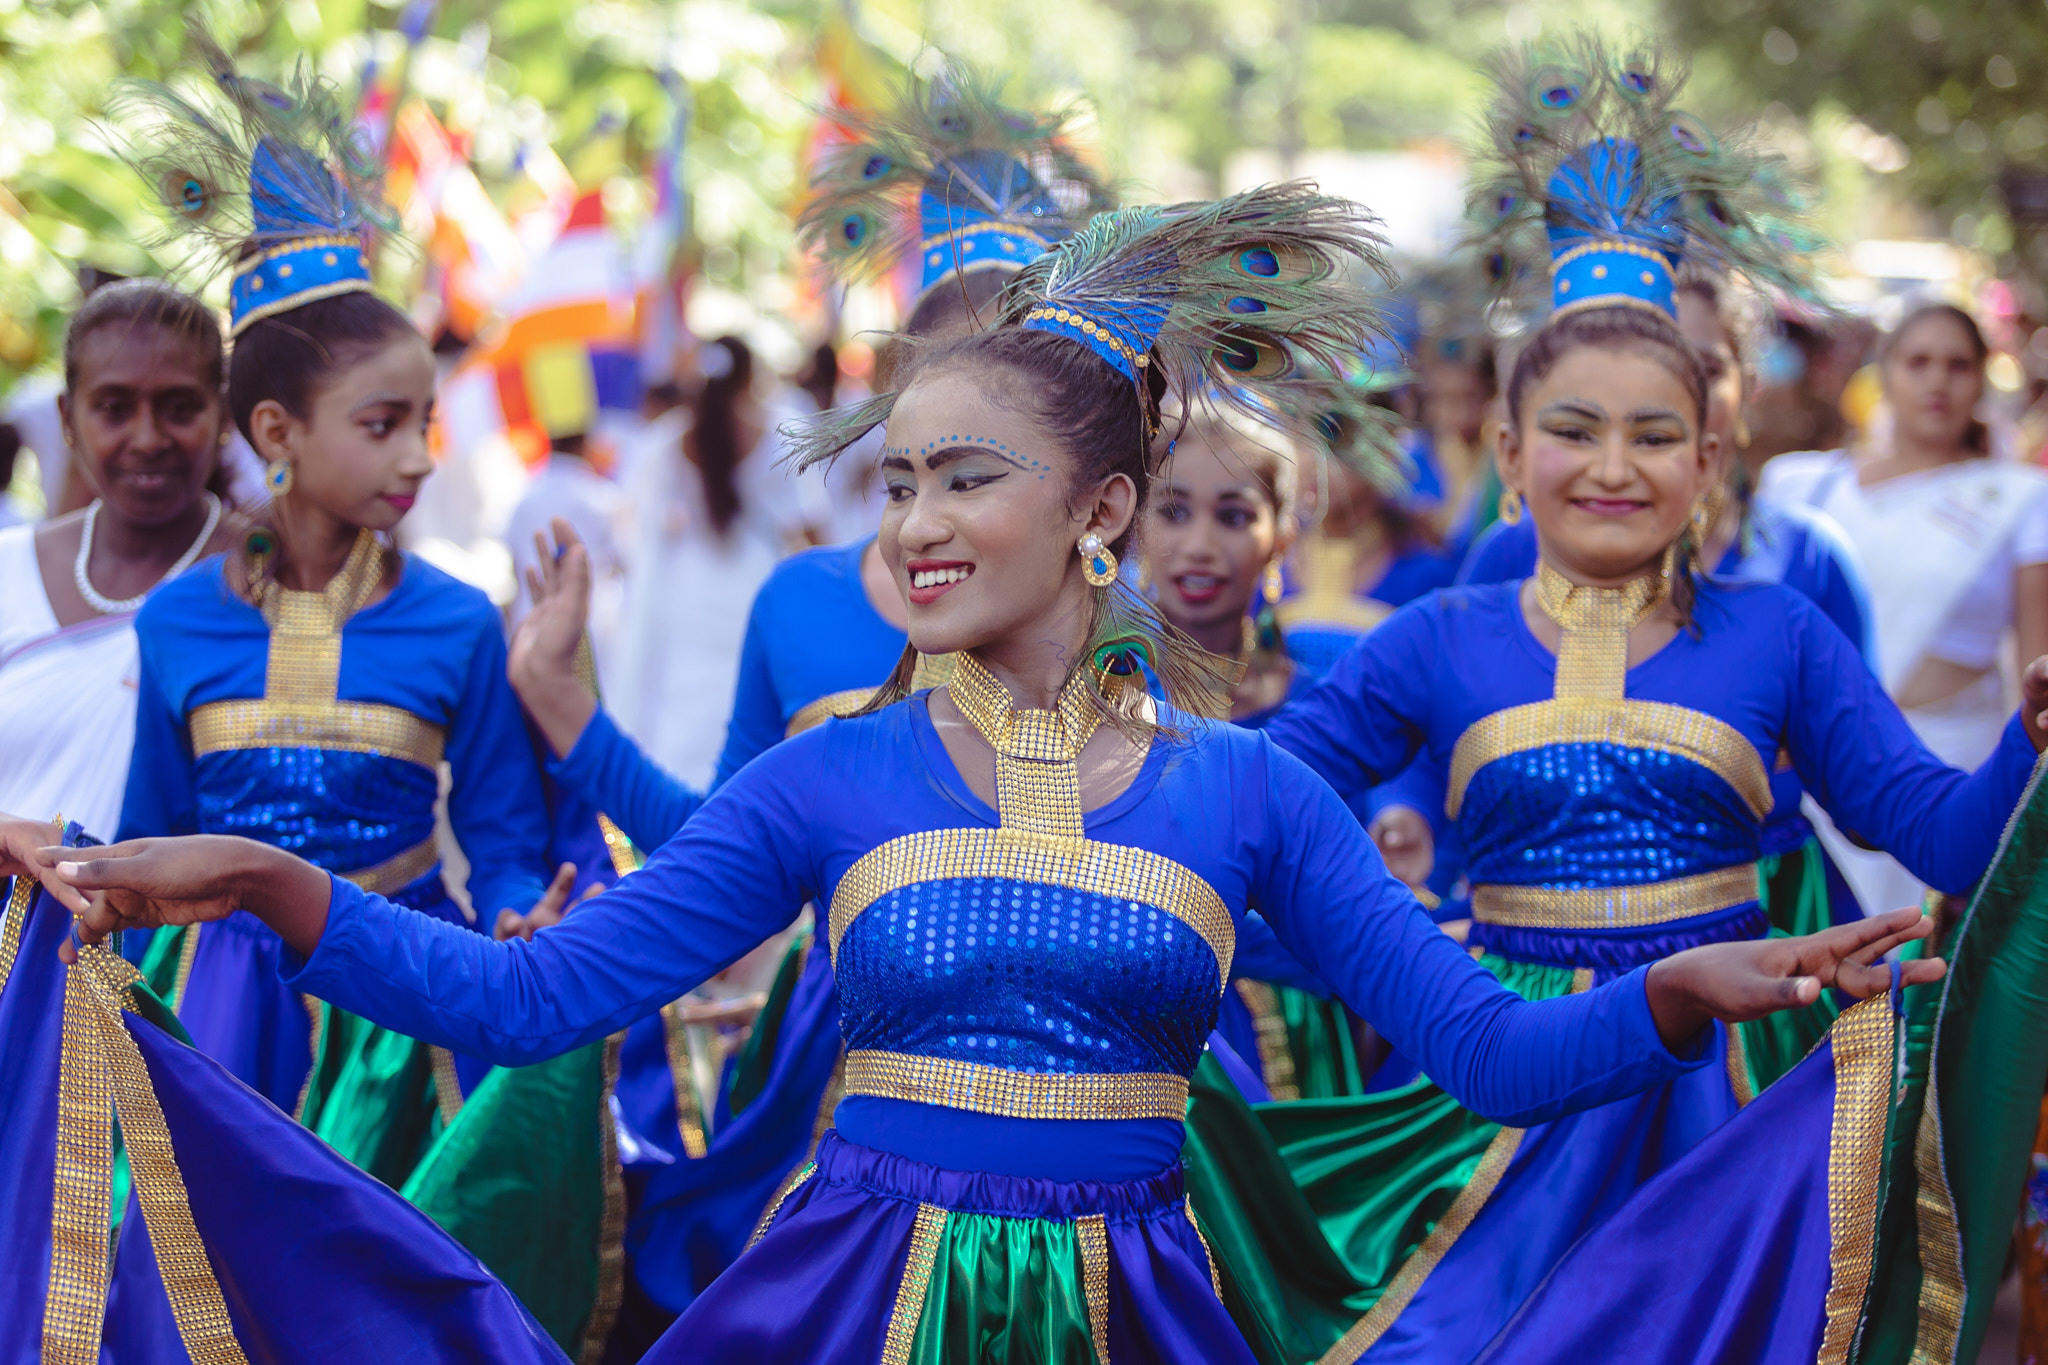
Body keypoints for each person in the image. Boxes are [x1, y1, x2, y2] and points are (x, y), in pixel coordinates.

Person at [18, 180, 1933, 1365]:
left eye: (965, 479)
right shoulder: (828, 782)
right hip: (842, 1315)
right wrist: (268, 886)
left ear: (1100, 513)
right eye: (899, 481)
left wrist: (1680, 992)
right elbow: (530, 999)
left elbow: (1487, 1057)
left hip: (1140, 1318)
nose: (916, 523)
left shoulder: (1244, 794)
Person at [1186, 45, 2048, 1364]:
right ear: (1510, 453)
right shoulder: (1438, 637)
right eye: (1573, 429)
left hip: (1736, 1094)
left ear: (1708, 458)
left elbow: (1936, 835)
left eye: (1653, 436)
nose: (1612, 465)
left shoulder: (1775, 631)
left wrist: (2026, 745)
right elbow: (1247, 795)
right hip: (1498, 1072)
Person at [494, 64, 1122, 1330]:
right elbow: (726, 848)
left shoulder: (1117, 618)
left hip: (1092, 1095)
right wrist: (563, 706)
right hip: (839, 1086)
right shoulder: (800, 602)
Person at [104, 44, 566, 1189]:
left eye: (424, 421)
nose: (420, 456)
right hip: (210, 1018)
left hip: (401, 1007)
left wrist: (518, 912)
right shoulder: (175, 623)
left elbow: (504, 841)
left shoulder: (459, 622)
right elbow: (147, 838)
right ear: (277, 433)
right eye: (381, 424)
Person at [1460, 269, 1876, 947]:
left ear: (1748, 386)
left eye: (1703, 368)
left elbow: (1874, 794)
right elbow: (1432, 750)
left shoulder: (1809, 560)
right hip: (1557, 925)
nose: (1672, 390)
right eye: (1649, 362)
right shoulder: (1511, 554)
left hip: (1774, 918)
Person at [1761, 301, 2048, 920]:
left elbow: (2037, 672)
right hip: (1819, 772)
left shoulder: (2021, 498)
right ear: (1884, 371)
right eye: (1918, 362)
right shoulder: (1801, 485)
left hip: (1954, 772)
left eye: (1957, 365)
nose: (1937, 381)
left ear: (1981, 378)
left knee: (1927, 962)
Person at [0, 280, 235, 840]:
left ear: (224, 414)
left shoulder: (268, 578)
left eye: (179, 408)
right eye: (114, 408)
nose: (148, 438)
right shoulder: (8, 571)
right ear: (67, 417)